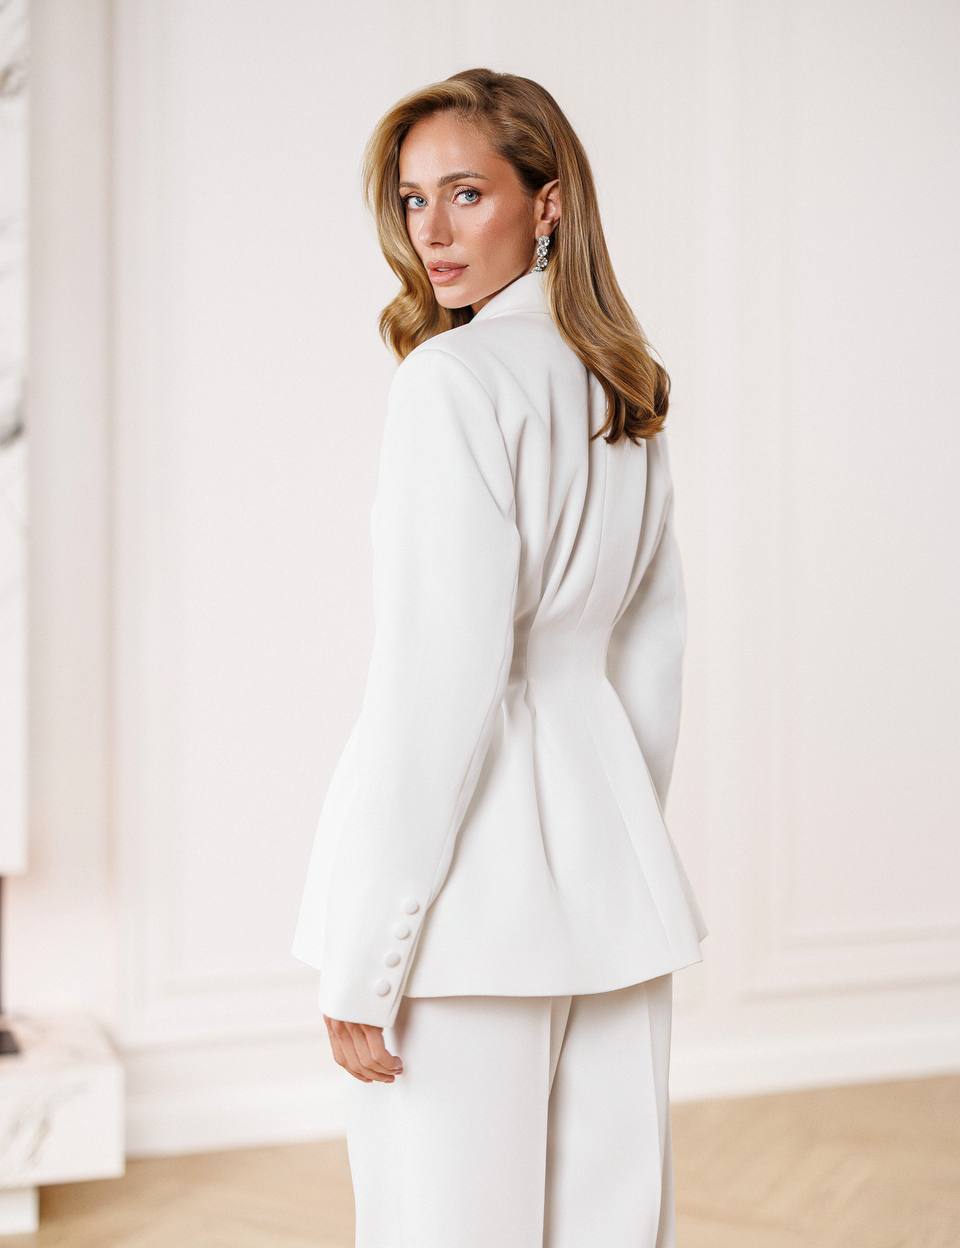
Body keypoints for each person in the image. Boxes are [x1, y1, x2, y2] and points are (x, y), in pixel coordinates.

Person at [291, 67, 708, 1247]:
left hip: (467, 909)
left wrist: (367, 962)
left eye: (465, 191)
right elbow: (652, 661)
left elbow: (438, 686)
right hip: (605, 879)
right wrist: (612, 839)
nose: (430, 230)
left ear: (549, 200)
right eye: (413, 199)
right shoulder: (624, 391)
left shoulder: (452, 382)